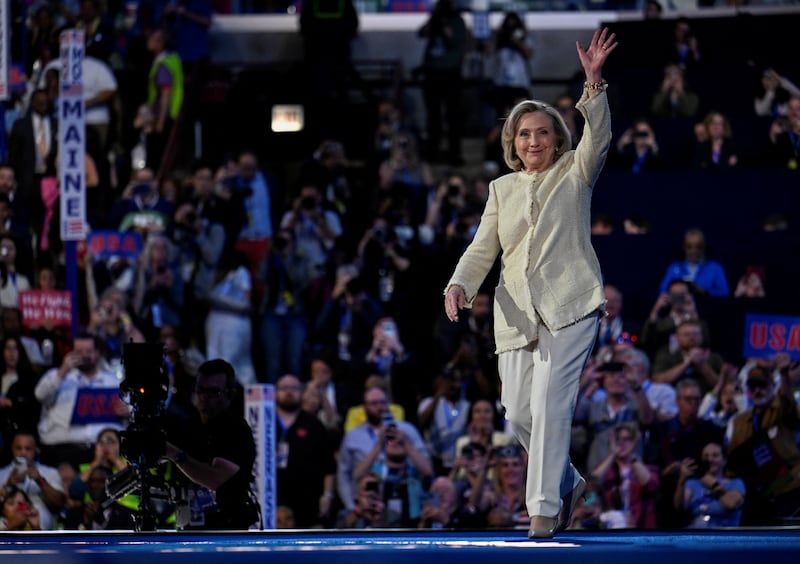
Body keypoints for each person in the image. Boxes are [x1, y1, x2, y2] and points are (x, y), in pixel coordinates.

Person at [443, 27, 618, 539]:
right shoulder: (501, 188)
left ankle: (542, 514)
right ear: (512, 144)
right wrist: (459, 284)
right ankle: (567, 484)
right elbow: (482, 248)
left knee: (549, 405)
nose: (534, 140)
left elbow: (598, 140)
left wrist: (594, 86)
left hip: (572, 303)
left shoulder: (575, 171)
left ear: (558, 138)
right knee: (518, 410)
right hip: (516, 312)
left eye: (543, 132)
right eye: (524, 134)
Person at [164, 358, 259, 530]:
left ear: (230, 393)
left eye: (213, 392)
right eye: (200, 390)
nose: (204, 397)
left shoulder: (236, 430)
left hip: (227, 532)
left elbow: (215, 478)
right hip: (187, 528)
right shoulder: (189, 426)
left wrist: (173, 454)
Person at [34, 333, 128, 468]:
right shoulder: (57, 377)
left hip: (105, 453)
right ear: (70, 353)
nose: (84, 355)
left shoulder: (113, 382)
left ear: (97, 353)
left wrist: (128, 411)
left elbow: (134, 411)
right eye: (79, 351)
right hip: (63, 452)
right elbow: (40, 395)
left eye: (89, 351)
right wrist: (62, 371)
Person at [726, 360, 800, 526]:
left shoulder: (782, 410)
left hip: (789, 486)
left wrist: (784, 375)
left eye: (762, 386)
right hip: (756, 492)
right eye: (753, 387)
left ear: (772, 386)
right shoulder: (739, 421)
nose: (758, 391)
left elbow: (788, 401)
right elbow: (734, 457)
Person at [274, 374, 337, 528]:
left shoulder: (314, 424)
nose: (289, 392)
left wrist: (327, 495)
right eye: (284, 388)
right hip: (271, 499)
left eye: (294, 388)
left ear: (301, 393)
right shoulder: (264, 421)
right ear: (275, 392)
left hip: (307, 503)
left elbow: (328, 465)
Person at [417, 0, 467, 165]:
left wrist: (445, 25)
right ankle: (433, 152)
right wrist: (434, 22)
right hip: (432, 74)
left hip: (451, 74)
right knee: (433, 117)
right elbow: (421, 33)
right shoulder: (434, 20)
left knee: (453, 117)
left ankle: (454, 154)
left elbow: (455, 41)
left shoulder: (457, 21)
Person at [0, 432, 66, 530]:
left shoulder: (50, 472)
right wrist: (8, 485)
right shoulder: (2, 473)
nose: (23, 453)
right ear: (12, 448)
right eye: (18, 448)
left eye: (28, 449)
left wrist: (40, 481)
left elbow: (60, 503)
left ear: (35, 450)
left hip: (42, 533)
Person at [675, 441, 745, 528]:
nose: (710, 460)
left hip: (723, 537)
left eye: (715, 455)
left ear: (724, 460)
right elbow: (680, 507)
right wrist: (682, 480)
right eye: (706, 456)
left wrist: (712, 483)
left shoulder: (735, 483)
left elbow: (731, 503)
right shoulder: (693, 483)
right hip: (696, 535)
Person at [657, 228, 730, 298]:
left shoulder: (715, 268)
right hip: (678, 308)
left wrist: (705, 292)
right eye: (689, 247)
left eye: (698, 247)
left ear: (704, 247)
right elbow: (662, 291)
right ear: (684, 247)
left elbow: (725, 293)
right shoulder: (674, 267)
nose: (693, 251)